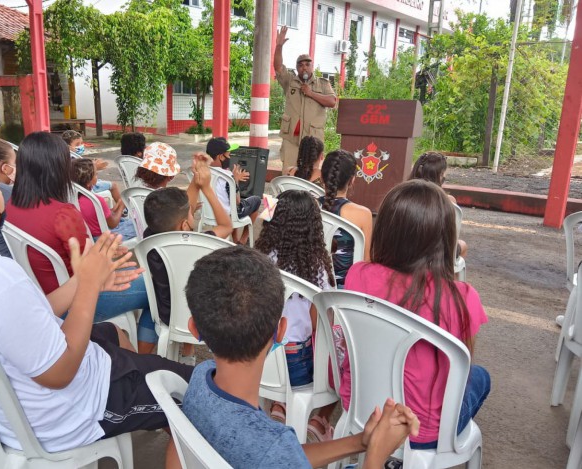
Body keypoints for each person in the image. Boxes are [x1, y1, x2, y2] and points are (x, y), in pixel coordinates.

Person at [0, 139, 193, 455]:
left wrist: (83, 280)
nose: (3, 193)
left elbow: (32, 313)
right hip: (73, 413)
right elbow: (61, 373)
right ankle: (162, 410)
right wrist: (88, 287)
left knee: (116, 335)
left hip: (20, 407)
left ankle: (151, 401)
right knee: (200, 391)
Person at [181, 246, 420, 469]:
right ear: (281, 331)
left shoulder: (200, 379)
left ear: (194, 329)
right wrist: (377, 453)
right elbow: (276, 455)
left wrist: (361, 441)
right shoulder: (274, 446)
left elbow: (281, 456)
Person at [341, 179, 490, 449]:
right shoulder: (462, 297)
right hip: (425, 431)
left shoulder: (358, 275)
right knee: (481, 377)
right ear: (444, 238)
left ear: (385, 230)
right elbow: (462, 366)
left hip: (362, 411)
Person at [6, 132, 153, 325]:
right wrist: (105, 254)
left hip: (40, 297)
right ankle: (147, 352)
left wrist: (102, 248)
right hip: (74, 298)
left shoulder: (9, 206)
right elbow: (93, 271)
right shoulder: (63, 214)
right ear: (60, 168)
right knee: (158, 288)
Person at [256, 190, 337, 442]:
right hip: (298, 362)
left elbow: (262, 217)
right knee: (337, 357)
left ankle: (280, 404)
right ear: (314, 226)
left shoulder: (259, 257)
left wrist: (269, 207)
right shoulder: (317, 267)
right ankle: (317, 420)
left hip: (261, 357)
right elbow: (319, 325)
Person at [140, 154, 233, 358]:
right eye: (191, 213)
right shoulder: (200, 245)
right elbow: (227, 226)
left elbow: (181, 208)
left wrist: (196, 181)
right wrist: (207, 188)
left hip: (165, 313)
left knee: (153, 301)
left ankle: (144, 355)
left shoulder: (150, 236)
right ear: (184, 224)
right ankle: (188, 354)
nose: (193, 212)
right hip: (198, 317)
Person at [274, 26, 337, 171]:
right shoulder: (290, 81)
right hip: (292, 139)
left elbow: (332, 102)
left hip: (312, 140)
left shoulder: (322, 83)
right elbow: (278, 67)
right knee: (289, 171)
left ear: (312, 66)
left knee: (310, 173)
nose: (304, 67)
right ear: (297, 68)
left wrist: (311, 93)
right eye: (301, 65)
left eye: (307, 64)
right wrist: (279, 46)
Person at [318, 150, 372, 287]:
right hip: (347, 291)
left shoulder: (308, 205)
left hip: (311, 285)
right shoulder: (363, 214)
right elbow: (366, 261)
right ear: (352, 180)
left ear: (322, 177)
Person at [409, 151, 468, 257]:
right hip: (435, 254)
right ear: (440, 177)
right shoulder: (448, 201)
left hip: (404, 249)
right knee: (462, 245)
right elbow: (451, 237)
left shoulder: (400, 195)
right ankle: (448, 273)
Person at [207, 137, 261, 245]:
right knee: (256, 201)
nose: (230, 158)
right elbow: (236, 201)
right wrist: (235, 180)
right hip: (228, 215)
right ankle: (243, 239)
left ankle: (235, 239)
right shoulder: (228, 176)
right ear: (221, 156)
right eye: (229, 155)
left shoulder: (203, 172)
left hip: (208, 212)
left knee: (230, 204)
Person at [70, 158, 136, 241]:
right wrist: (121, 207)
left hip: (89, 236)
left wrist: (116, 208)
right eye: (96, 175)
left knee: (126, 220)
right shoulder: (96, 200)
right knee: (138, 224)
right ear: (88, 182)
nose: (97, 177)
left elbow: (99, 216)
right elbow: (113, 224)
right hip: (103, 238)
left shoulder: (72, 198)